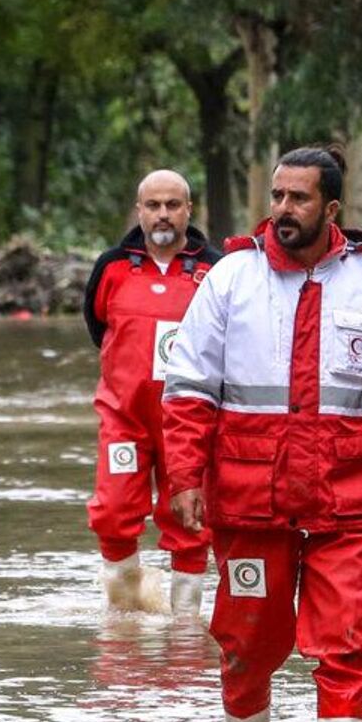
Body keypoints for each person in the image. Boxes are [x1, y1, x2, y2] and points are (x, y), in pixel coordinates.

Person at [160, 146, 362, 722]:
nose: (283, 209)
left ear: (331, 207)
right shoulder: (230, 279)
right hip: (250, 500)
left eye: (298, 198)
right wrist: (183, 478)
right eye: (277, 196)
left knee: (346, 641)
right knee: (246, 641)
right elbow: (188, 390)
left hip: (346, 500)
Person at [84, 169, 222, 614]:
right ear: (139, 210)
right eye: (153, 206)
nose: (163, 215)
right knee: (112, 510)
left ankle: (185, 628)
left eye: (173, 205)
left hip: (192, 418)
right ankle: (123, 615)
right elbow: (98, 326)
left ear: (189, 210)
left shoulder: (215, 270)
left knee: (192, 518)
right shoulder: (111, 267)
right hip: (125, 416)